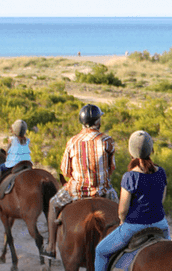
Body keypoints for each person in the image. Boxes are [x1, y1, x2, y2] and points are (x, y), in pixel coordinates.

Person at [81, 130, 170, 271]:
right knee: (168, 253)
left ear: (131, 153)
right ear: (151, 151)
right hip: (161, 225)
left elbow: (122, 210)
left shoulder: (130, 176)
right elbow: (162, 200)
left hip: (134, 227)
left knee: (101, 251)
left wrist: (122, 220)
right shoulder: (161, 173)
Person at [41, 104, 117, 259]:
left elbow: (65, 171)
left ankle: (50, 246)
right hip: (102, 191)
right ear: (97, 121)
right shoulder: (107, 141)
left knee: (53, 204)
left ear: (82, 122)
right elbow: (111, 168)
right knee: (121, 213)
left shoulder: (72, 141)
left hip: (76, 191)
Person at [0, 119, 32, 193]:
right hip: (27, 162)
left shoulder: (11, 139)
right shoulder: (28, 140)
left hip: (14, 163)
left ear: (14, 130)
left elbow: (8, 152)